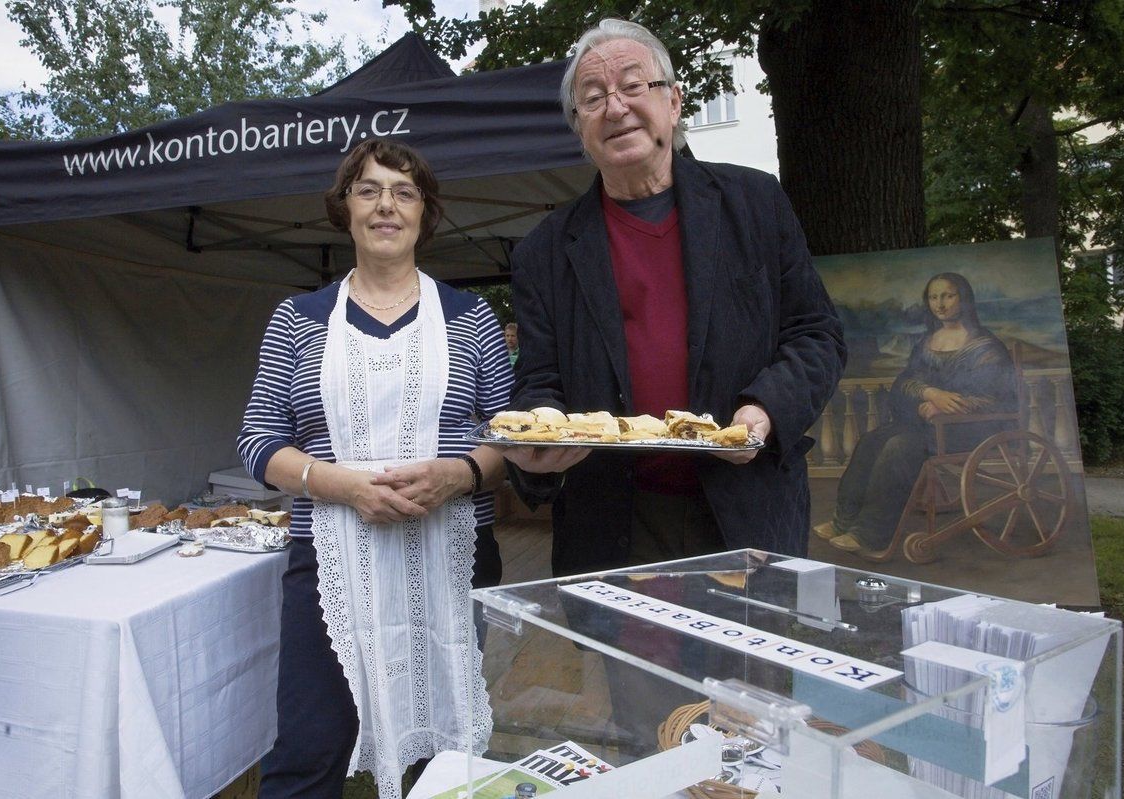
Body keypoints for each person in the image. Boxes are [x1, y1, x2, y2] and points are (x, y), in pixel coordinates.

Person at [504, 18, 846, 577]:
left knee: (756, 664)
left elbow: (815, 335)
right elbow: (540, 380)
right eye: (593, 98)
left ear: (674, 102)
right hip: (617, 524)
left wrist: (763, 413)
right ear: (579, 128)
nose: (615, 108)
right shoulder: (544, 251)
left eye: (634, 86)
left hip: (747, 509)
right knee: (635, 667)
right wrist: (540, 443)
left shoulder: (754, 204)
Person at [237, 139, 513, 799]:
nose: (386, 204)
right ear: (345, 209)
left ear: (425, 213)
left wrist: (461, 474)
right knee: (306, 751)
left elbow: (513, 439)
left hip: (450, 559)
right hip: (329, 561)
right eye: (369, 190)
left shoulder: (471, 319)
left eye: (405, 191)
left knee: (448, 758)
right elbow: (257, 438)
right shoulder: (297, 320)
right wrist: (343, 486)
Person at [816, 272, 1017, 556]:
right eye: (934, 297)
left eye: (948, 295)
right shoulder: (926, 342)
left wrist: (949, 405)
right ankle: (844, 521)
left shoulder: (986, 347)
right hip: (927, 426)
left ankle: (869, 534)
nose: (941, 304)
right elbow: (905, 383)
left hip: (967, 430)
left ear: (964, 299)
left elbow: (996, 398)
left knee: (899, 447)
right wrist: (928, 394)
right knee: (870, 441)